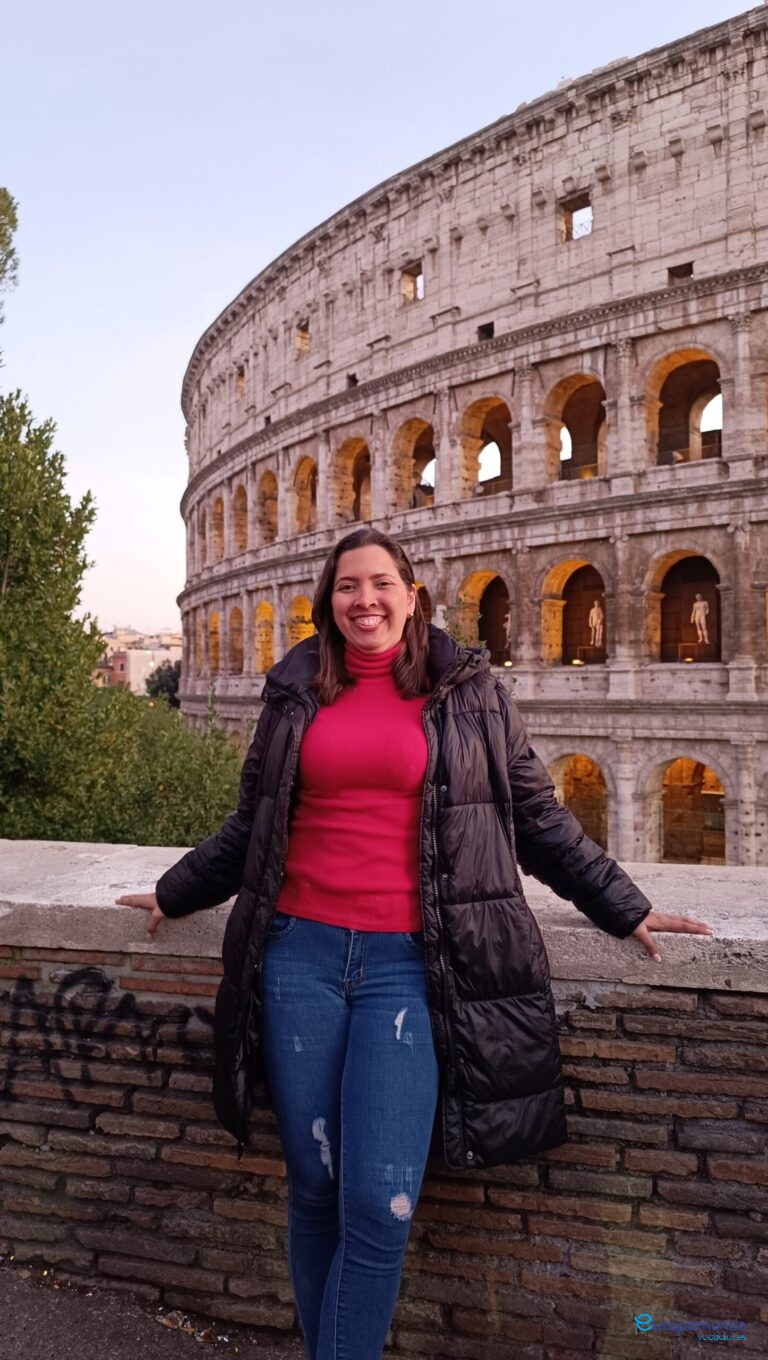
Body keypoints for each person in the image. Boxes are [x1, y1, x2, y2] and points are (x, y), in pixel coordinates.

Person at [118, 527, 713, 1360]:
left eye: (379, 584)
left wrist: (625, 906)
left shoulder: (469, 691)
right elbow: (253, 823)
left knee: (380, 1202)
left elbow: (535, 819)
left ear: (411, 593)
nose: (364, 601)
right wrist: (175, 890)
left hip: (410, 964)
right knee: (316, 1188)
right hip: (300, 956)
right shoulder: (295, 693)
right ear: (329, 602)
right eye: (347, 587)